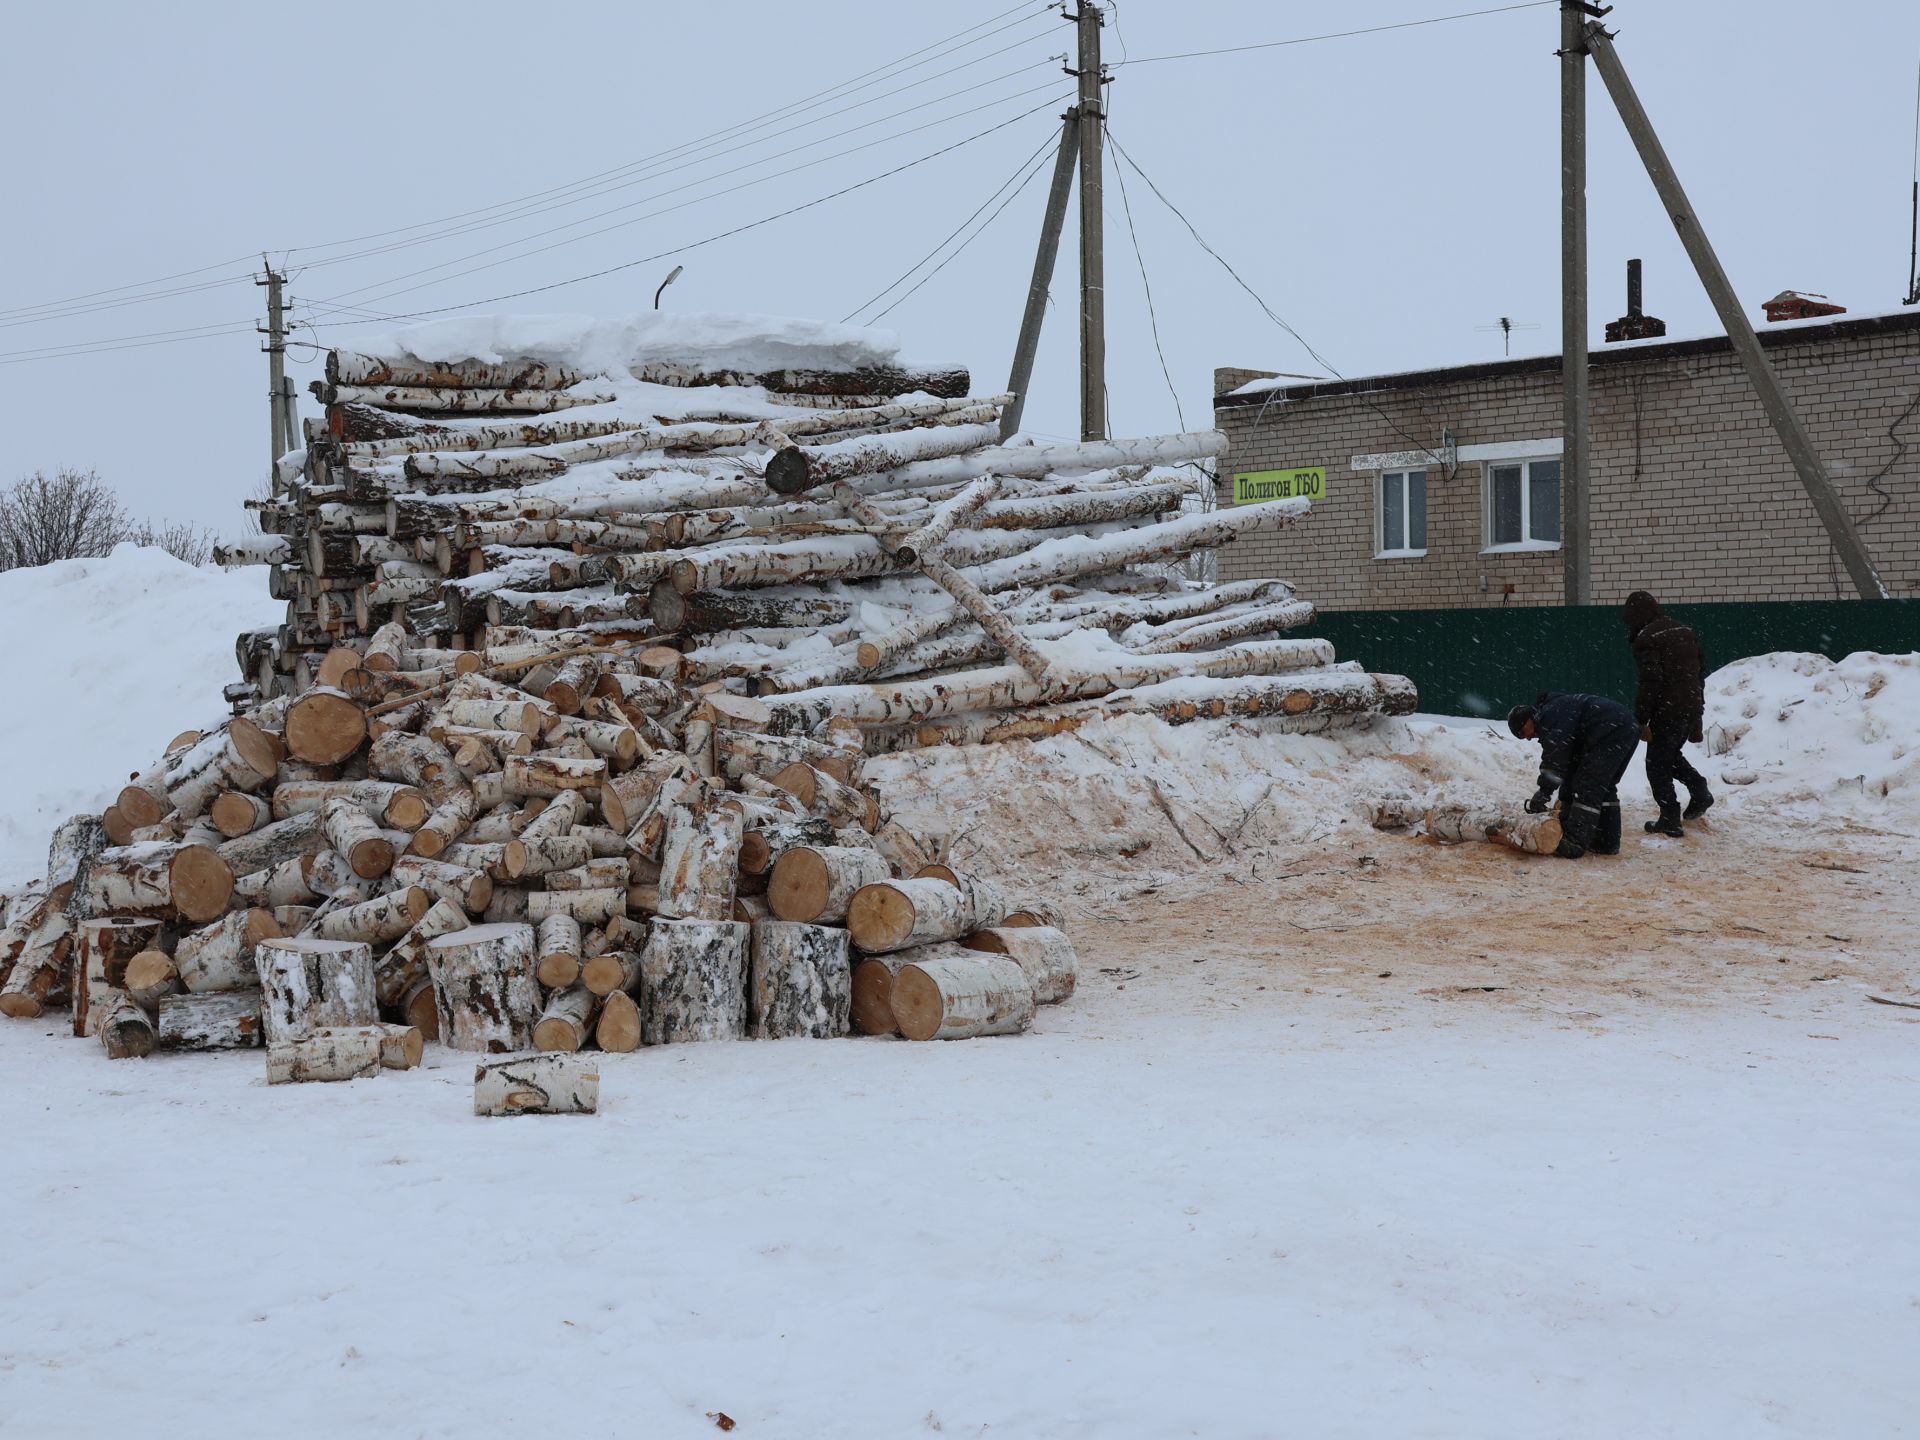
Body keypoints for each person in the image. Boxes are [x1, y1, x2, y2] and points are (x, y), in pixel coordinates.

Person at [1507, 693, 1641, 859]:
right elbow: (1569, 769)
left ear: (1528, 720)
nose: (1526, 738)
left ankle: (1574, 843)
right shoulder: (1553, 713)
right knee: (1602, 786)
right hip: (1623, 726)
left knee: (1589, 785)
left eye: (1522, 732)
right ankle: (1606, 842)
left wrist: (1544, 792)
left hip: (1612, 730)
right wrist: (1564, 814)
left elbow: (1555, 759)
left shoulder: (1551, 719)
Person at [1623, 590, 1712, 837]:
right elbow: (1698, 673)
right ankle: (1699, 790)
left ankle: (1670, 817)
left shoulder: (1647, 638)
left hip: (1668, 709)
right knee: (1669, 755)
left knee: (1656, 764)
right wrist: (1698, 710)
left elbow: (1651, 681)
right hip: (1689, 704)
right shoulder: (1685, 631)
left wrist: (1641, 718)